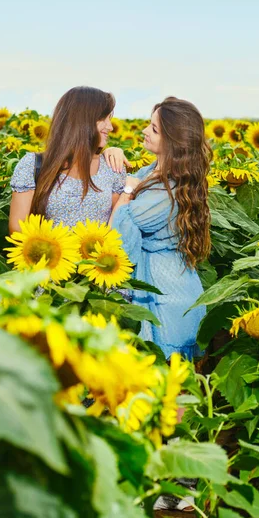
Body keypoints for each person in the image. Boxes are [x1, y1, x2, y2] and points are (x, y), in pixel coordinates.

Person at [109, 96, 211, 361]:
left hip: (166, 295)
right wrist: (115, 153)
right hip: (169, 282)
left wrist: (127, 190)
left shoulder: (169, 190)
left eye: (153, 129)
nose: (144, 131)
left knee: (169, 382)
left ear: (173, 141)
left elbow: (117, 227)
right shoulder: (155, 171)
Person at [9, 86, 129, 233]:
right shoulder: (32, 165)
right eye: (103, 118)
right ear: (82, 120)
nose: (110, 127)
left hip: (96, 254)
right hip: (49, 254)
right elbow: (17, 229)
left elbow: (116, 226)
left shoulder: (112, 167)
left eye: (110, 119)